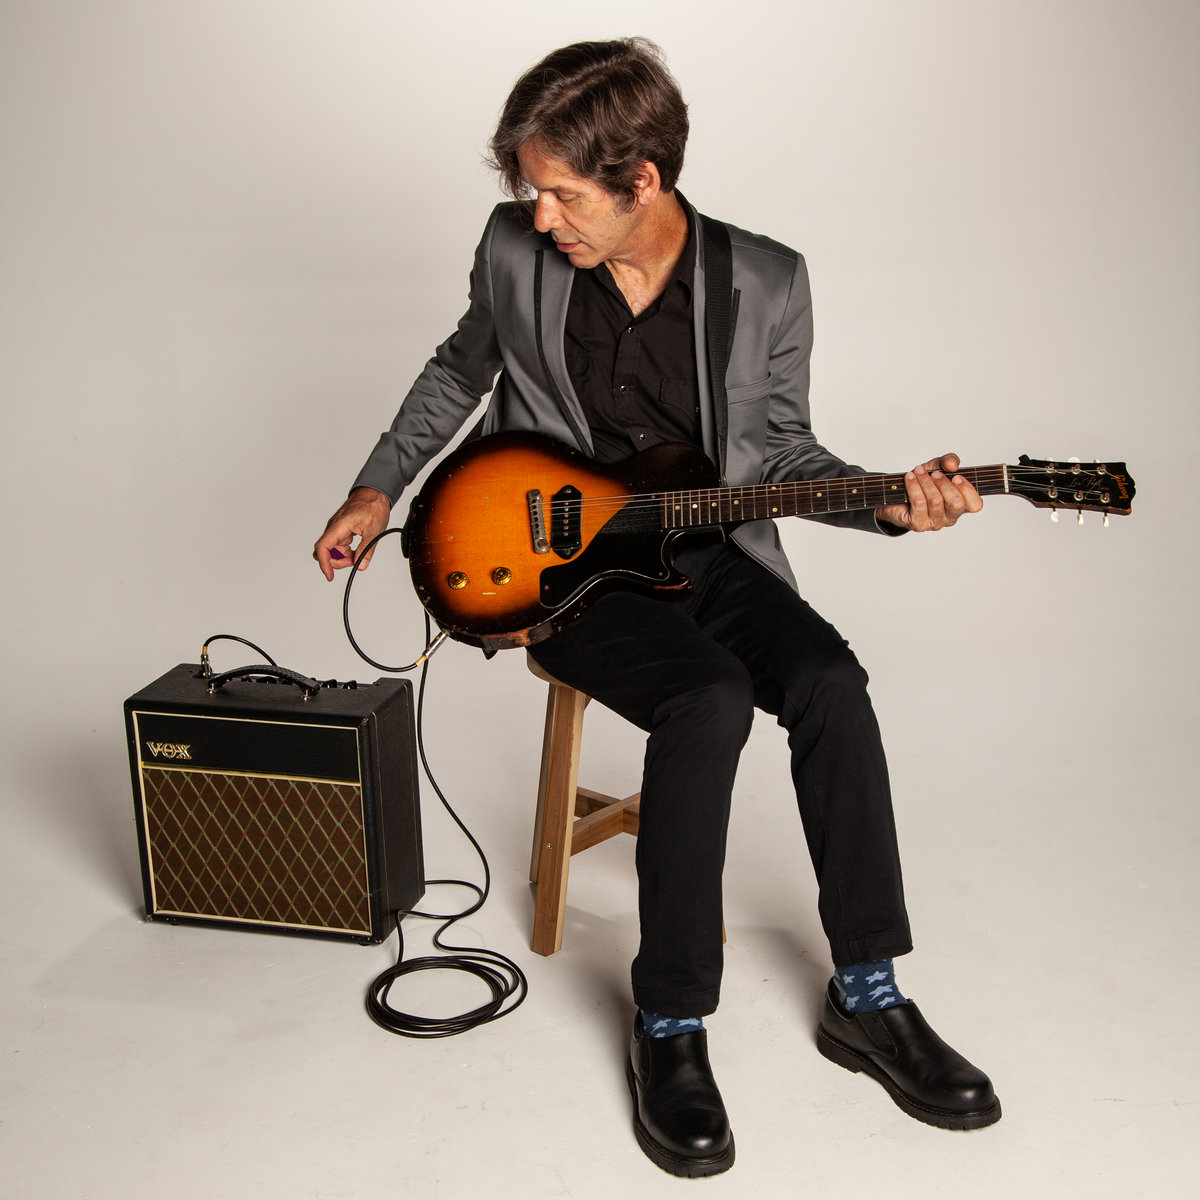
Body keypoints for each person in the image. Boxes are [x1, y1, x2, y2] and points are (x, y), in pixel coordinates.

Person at [314, 38, 998, 1178]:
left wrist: (888, 504)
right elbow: (460, 369)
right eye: (530, 190)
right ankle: (671, 1019)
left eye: (563, 194)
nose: (540, 217)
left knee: (831, 683)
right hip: (563, 566)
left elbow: (783, 453)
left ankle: (870, 994)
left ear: (643, 178)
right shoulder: (514, 250)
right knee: (709, 697)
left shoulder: (767, 280)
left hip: (707, 547)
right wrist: (378, 485)